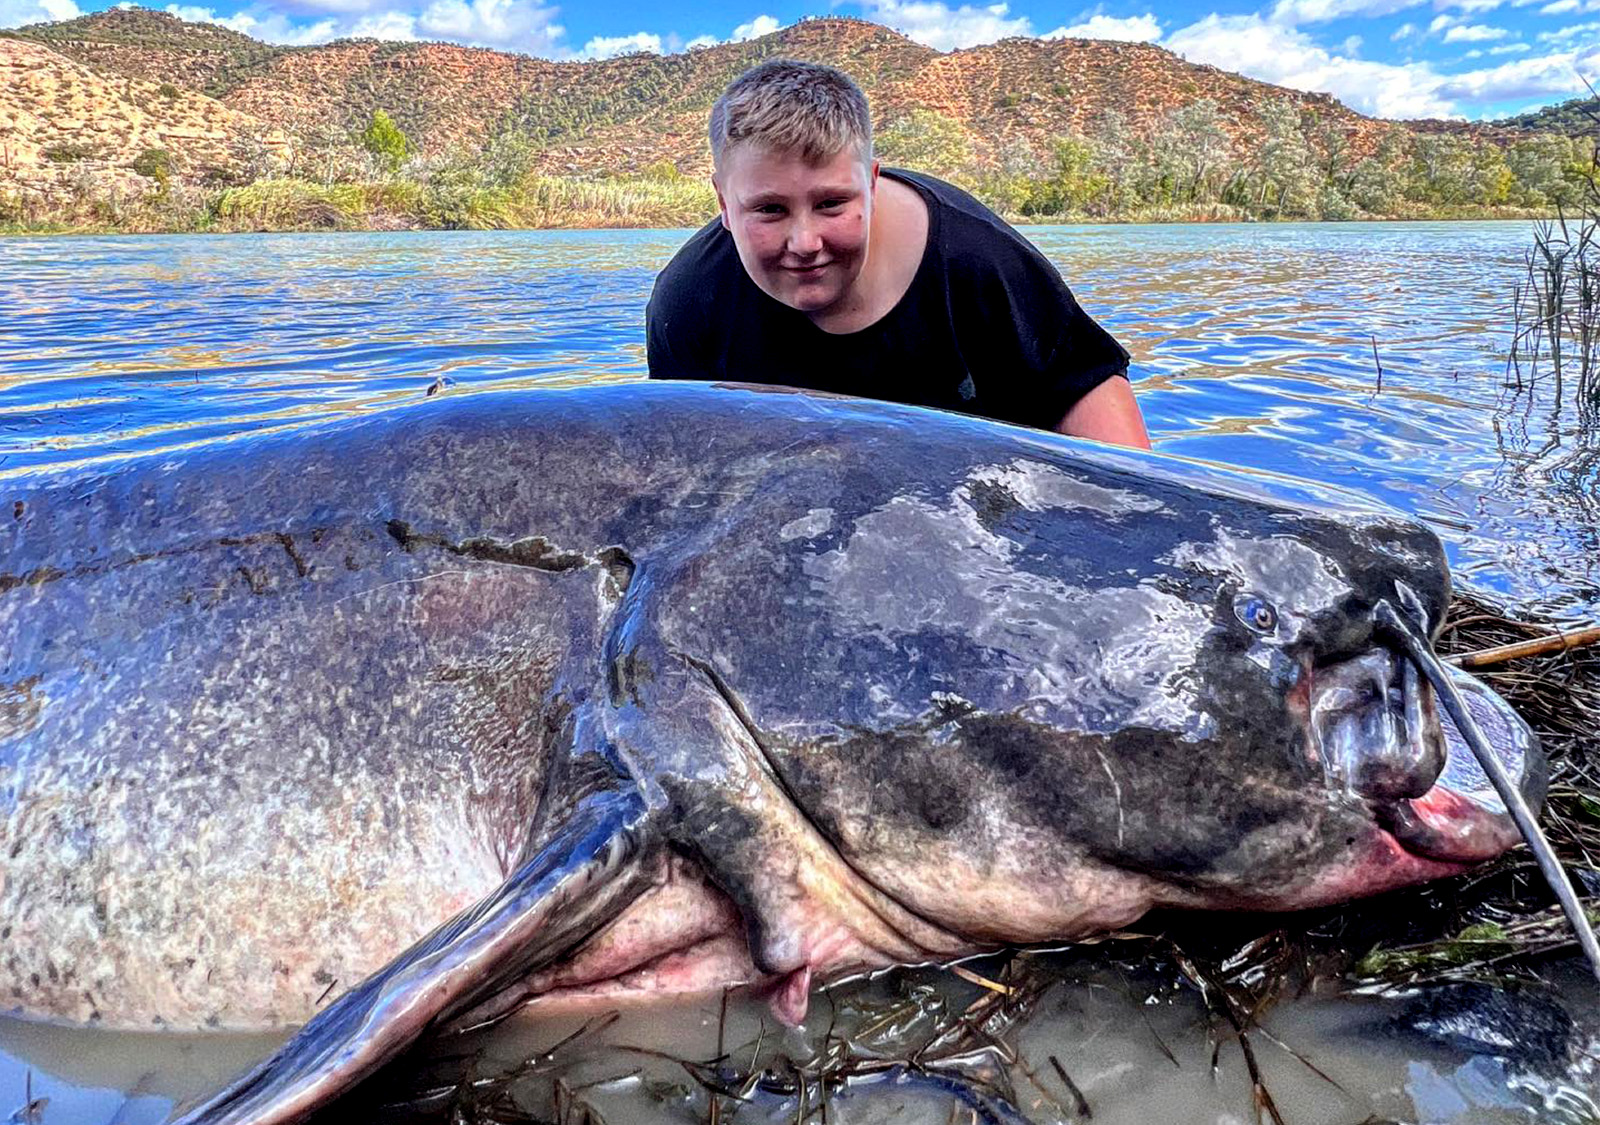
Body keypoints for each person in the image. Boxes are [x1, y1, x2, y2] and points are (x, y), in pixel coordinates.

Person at [645, 58, 1151, 450]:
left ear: (870, 183)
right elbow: (689, 462)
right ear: (724, 205)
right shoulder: (688, 304)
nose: (804, 242)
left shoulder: (976, 262)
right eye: (770, 209)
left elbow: (1086, 386)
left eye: (832, 203)